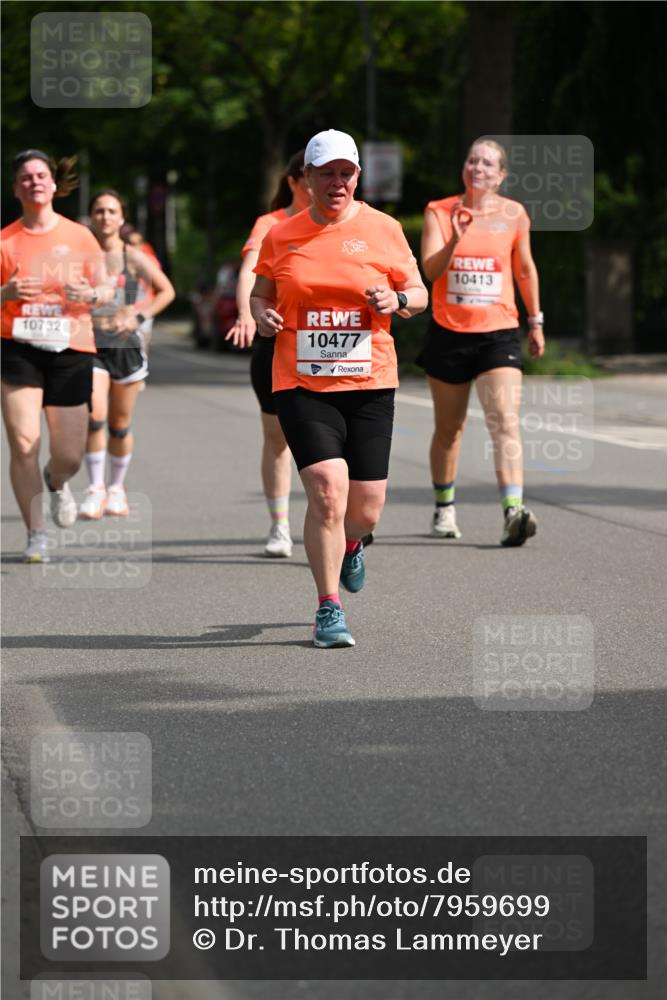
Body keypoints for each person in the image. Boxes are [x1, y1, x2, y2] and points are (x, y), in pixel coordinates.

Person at [250, 130, 427, 647]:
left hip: (370, 379)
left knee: (366, 505)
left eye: (345, 172)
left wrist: (396, 301)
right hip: (302, 382)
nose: (336, 182)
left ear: (357, 176)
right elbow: (262, 292)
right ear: (305, 178)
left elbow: (417, 292)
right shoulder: (282, 235)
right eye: (325, 172)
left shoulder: (384, 228)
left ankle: (353, 542)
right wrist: (262, 315)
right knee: (327, 490)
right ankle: (328, 607)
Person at [418, 138, 545, 546]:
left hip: (498, 333)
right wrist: (455, 238)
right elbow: (431, 272)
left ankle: (513, 510)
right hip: (449, 334)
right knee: (449, 429)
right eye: (472, 160)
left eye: (487, 163)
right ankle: (444, 506)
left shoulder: (514, 214)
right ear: (464, 168)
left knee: (505, 420)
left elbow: (524, 270)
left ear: (501, 175)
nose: (478, 168)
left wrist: (535, 321)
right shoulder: (439, 211)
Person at [1, 149, 113, 562]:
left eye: (41, 175)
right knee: (23, 442)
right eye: (26, 177)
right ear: (16, 189)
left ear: (52, 184)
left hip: (71, 346)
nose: (34, 182)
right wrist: (6, 294)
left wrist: (92, 294)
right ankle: (36, 534)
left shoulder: (79, 236)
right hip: (17, 347)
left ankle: (57, 483)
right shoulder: (5, 240)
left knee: (68, 455)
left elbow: (106, 288)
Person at [225, 150, 311, 557]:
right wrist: (246, 313)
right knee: (277, 438)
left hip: (327, 345)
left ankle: (339, 518)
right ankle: (280, 526)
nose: (322, 184)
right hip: (275, 342)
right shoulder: (271, 224)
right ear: (294, 181)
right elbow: (249, 272)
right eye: (313, 176)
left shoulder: (345, 224)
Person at [78, 190, 175, 518]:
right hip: (91, 344)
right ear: (92, 216)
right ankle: (95, 489)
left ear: (121, 218)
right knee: (94, 417)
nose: (105, 216)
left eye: (111, 211)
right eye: (99, 211)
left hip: (126, 347)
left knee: (119, 424)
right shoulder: (80, 255)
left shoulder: (133, 256)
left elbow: (167, 291)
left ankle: (116, 489)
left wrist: (137, 316)